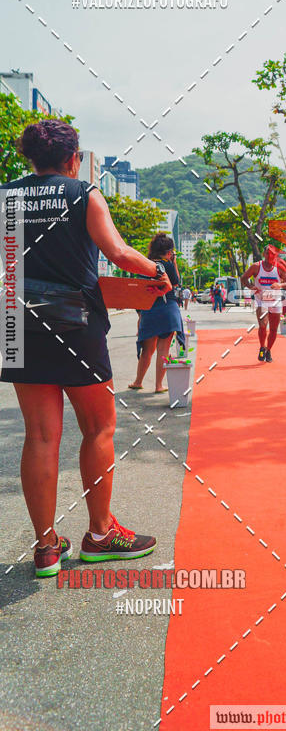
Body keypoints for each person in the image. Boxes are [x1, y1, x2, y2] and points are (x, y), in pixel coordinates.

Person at [0, 120, 168, 577]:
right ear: (74, 158)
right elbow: (116, 251)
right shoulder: (84, 193)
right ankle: (99, 534)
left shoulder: (6, 195)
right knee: (98, 427)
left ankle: (46, 547)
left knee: (39, 436)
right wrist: (156, 269)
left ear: (30, 159)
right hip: (75, 324)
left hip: (18, 323)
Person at [129, 233, 183, 393]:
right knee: (163, 349)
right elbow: (176, 282)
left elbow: (139, 289)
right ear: (168, 252)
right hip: (168, 309)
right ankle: (159, 385)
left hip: (149, 309)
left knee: (147, 349)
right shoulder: (168, 264)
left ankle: (138, 381)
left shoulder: (144, 265)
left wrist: (139, 314)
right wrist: (174, 263)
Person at [241, 245, 286, 362]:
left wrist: (280, 285)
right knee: (263, 325)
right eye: (267, 253)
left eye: (272, 254)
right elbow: (243, 278)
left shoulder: (279, 268)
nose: (270, 256)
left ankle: (269, 350)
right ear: (264, 254)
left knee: (274, 329)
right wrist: (251, 286)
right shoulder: (256, 267)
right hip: (261, 301)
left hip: (275, 301)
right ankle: (262, 347)